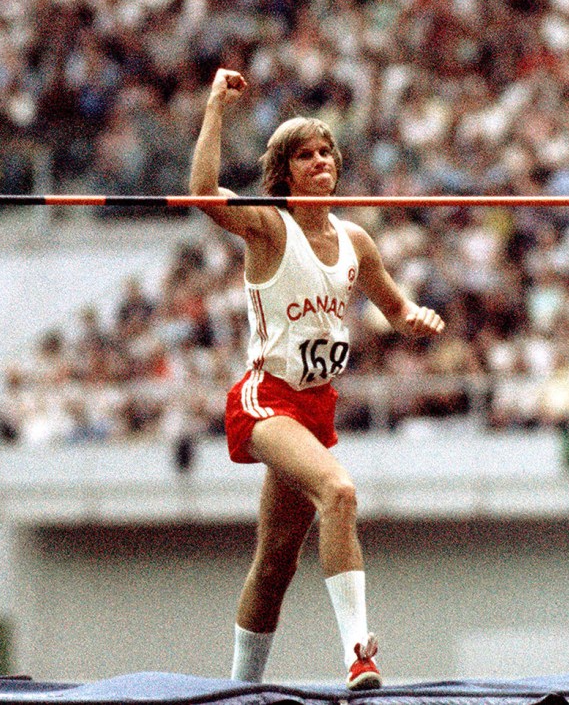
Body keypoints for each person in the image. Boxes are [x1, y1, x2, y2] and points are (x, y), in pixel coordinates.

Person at [189, 68, 446, 690]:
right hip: (266, 400)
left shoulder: (356, 238)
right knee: (340, 492)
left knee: (275, 562)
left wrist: (414, 317)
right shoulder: (269, 225)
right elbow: (202, 194)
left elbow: (393, 305)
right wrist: (215, 109)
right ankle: (360, 654)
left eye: (326, 152)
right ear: (285, 172)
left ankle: (238, 689)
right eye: (305, 155)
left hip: (316, 409)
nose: (320, 162)